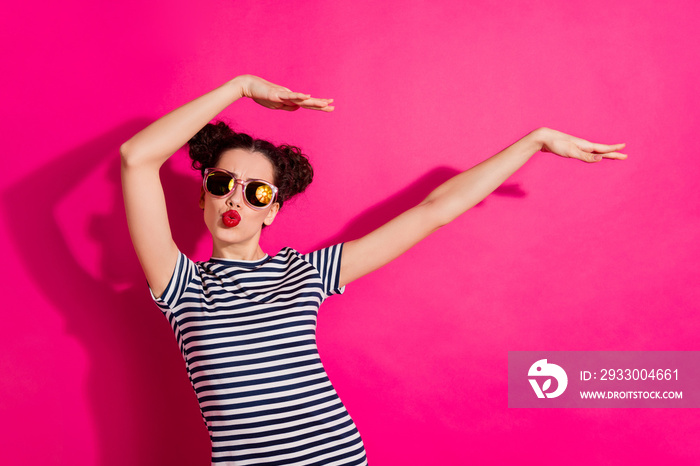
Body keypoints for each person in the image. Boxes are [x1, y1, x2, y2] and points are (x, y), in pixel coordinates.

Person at [120, 74, 626, 465]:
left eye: (256, 191)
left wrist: (534, 142)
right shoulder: (181, 283)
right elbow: (136, 158)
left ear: (272, 209)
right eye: (222, 182)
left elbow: (433, 211)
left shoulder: (305, 273)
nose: (235, 198)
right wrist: (240, 87)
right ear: (203, 193)